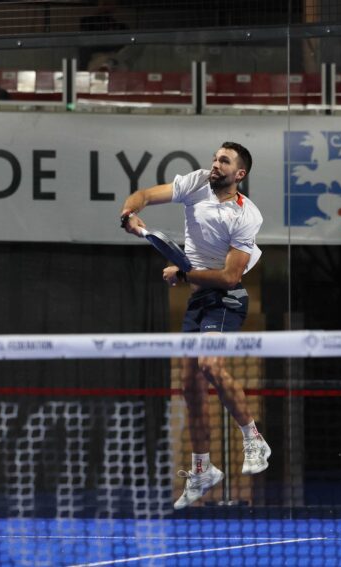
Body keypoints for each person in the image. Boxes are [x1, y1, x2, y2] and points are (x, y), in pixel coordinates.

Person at [120, 142, 271, 510]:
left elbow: (230, 277)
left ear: (239, 174)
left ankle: (254, 439)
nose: (215, 164)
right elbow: (144, 195)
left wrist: (184, 273)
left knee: (210, 365)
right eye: (215, 158)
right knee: (189, 386)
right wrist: (130, 214)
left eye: (224, 161)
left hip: (227, 300)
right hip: (198, 301)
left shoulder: (246, 215)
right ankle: (202, 469)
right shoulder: (197, 183)